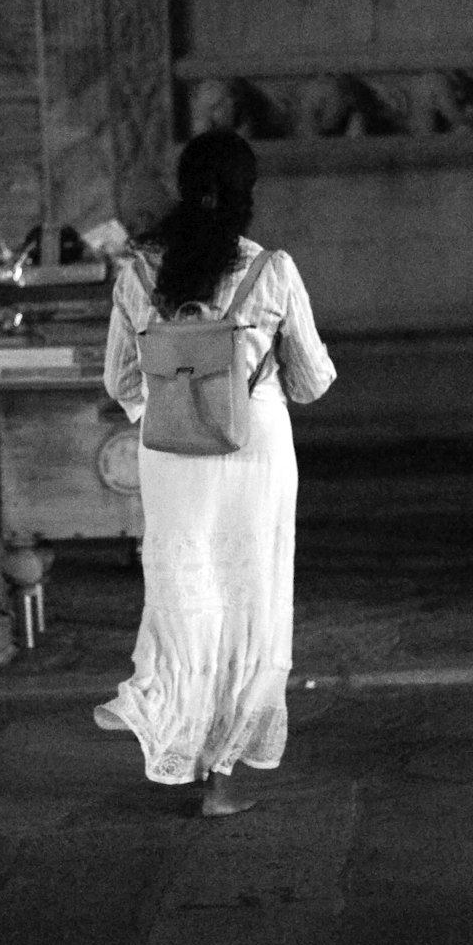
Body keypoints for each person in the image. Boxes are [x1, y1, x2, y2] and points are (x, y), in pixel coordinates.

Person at [95, 129, 336, 815]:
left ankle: (163, 713)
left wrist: (171, 408)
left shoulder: (139, 273)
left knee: (184, 591)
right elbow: (312, 380)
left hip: (171, 453)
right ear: (247, 196)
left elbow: (120, 378)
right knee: (248, 598)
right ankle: (221, 777)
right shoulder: (273, 272)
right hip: (255, 450)